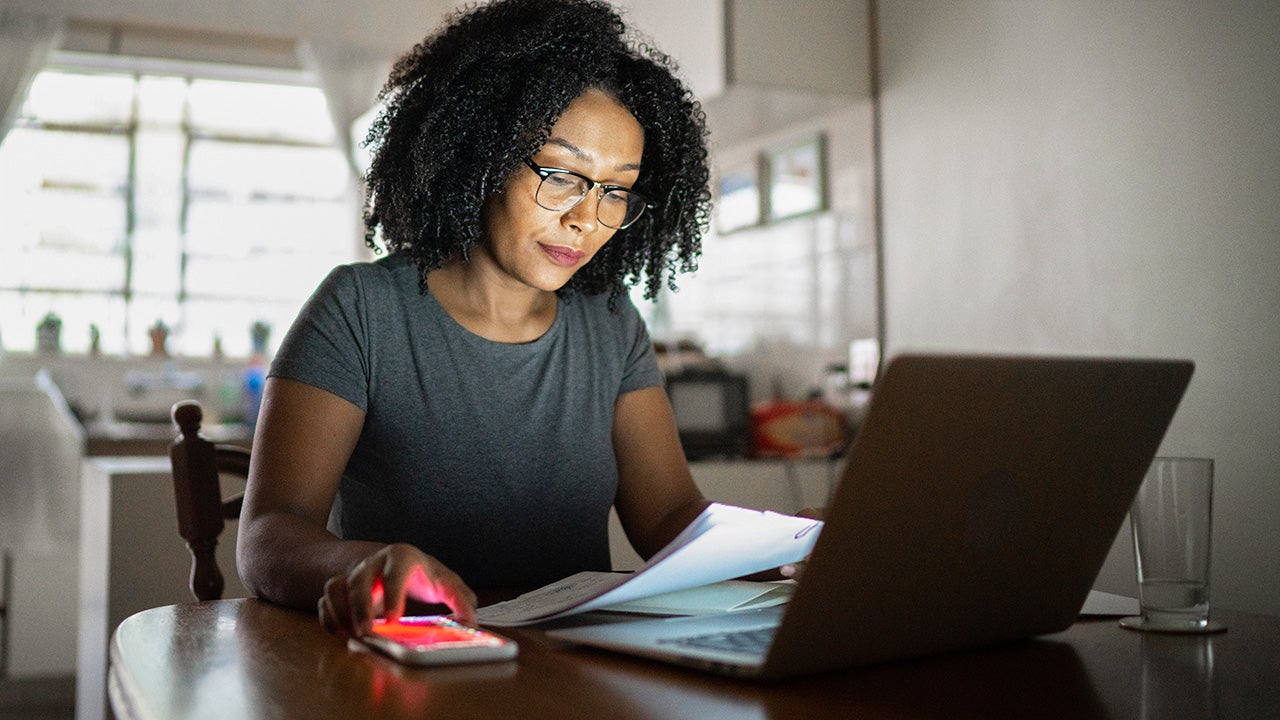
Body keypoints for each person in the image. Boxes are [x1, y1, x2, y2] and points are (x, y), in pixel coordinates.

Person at [237, 0, 754, 639]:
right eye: (563, 175)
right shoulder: (360, 310)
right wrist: (360, 563)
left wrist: (775, 556)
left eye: (615, 190)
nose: (587, 218)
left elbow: (668, 516)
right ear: (481, 153)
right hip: (416, 659)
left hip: (577, 669)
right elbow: (269, 535)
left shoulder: (613, 325)